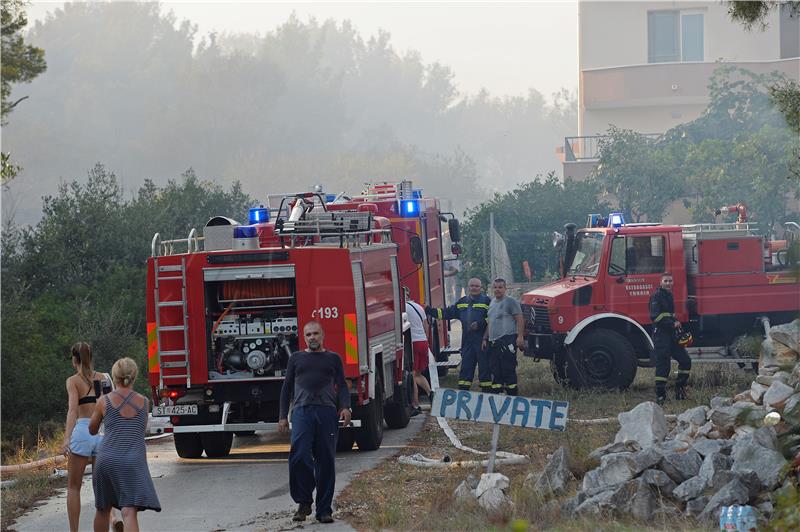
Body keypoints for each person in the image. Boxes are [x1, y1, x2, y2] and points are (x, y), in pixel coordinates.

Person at [278, 321, 351, 524]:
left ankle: (324, 509)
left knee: (326, 460)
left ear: (323, 335)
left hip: (327, 412)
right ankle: (304, 501)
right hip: (302, 412)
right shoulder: (296, 358)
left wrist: (345, 407)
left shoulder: (333, 359)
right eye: (308, 334)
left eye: (316, 334)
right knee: (299, 455)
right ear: (304, 337)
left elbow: (342, 386)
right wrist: (283, 415)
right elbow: (286, 389)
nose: (312, 337)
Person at [90, 358, 161, 532]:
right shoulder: (144, 403)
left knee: (103, 509)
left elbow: (92, 430)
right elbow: (138, 430)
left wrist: (99, 404)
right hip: (132, 461)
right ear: (134, 376)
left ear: (114, 377)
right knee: (129, 511)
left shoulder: (103, 401)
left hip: (106, 460)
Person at [61, 342, 122, 532]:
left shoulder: (73, 381)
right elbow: (113, 406)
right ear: (91, 357)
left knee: (73, 487)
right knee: (102, 487)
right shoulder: (104, 377)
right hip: (103, 432)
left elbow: (72, 411)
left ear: (74, 360)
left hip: (82, 431)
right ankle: (112, 519)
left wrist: (66, 438)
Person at [427, 277, 492, 393]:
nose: (474, 288)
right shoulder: (462, 302)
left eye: (477, 286)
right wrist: (429, 311)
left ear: (481, 288)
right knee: (466, 368)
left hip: (482, 340)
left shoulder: (487, 301)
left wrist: (480, 325)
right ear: (468, 287)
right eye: (472, 286)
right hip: (467, 342)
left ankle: (487, 393)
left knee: (485, 368)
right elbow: (447, 313)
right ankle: (463, 393)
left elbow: (492, 320)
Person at [649, 272, 691, 404]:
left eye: (670, 281)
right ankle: (661, 396)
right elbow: (656, 316)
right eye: (666, 281)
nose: (668, 283)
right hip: (661, 336)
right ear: (660, 282)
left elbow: (669, 315)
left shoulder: (669, 295)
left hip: (672, 335)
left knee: (685, 361)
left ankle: (679, 391)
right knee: (664, 366)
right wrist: (672, 323)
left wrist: (677, 324)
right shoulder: (656, 296)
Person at [482, 278, 525, 395]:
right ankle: (497, 394)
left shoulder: (511, 302)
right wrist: (485, 338)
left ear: (505, 289)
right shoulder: (492, 303)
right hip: (493, 342)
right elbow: (490, 322)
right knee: (495, 369)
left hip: (507, 340)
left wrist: (520, 337)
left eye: (500, 287)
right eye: (495, 287)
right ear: (492, 289)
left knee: (508, 368)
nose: (497, 290)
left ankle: (512, 394)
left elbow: (520, 319)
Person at [405, 290, 433, 414]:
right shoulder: (418, 307)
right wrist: (426, 341)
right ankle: (431, 394)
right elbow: (426, 325)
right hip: (423, 341)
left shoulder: (404, 307)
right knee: (418, 374)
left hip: (413, 343)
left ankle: (415, 405)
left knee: (411, 375)